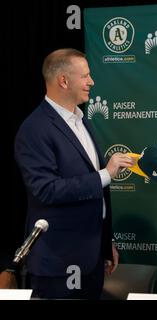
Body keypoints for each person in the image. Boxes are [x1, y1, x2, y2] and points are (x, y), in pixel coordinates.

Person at [14, 48, 133, 299]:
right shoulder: (35, 129)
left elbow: (93, 199)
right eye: (86, 76)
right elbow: (46, 190)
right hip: (59, 261)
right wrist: (106, 174)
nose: (92, 82)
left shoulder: (82, 120)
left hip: (91, 257)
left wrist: (103, 243)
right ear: (64, 81)